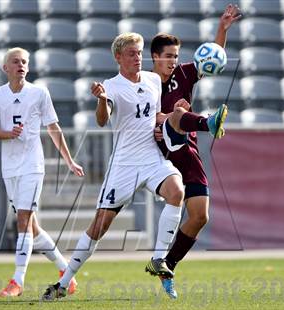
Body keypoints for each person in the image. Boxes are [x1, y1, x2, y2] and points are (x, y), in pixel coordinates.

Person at [42, 32, 185, 301]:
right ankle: (63, 282)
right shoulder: (112, 86)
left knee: (177, 192)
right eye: (131, 53)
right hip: (124, 165)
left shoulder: (154, 80)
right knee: (99, 227)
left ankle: (158, 260)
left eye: (140, 53)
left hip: (151, 158)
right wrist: (101, 99)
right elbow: (101, 120)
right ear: (118, 57)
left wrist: (176, 115)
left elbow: (155, 117)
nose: (137, 58)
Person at [149, 4, 242, 299]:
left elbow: (212, 56)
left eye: (176, 56)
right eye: (169, 56)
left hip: (187, 147)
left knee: (200, 216)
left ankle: (167, 265)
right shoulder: (145, 83)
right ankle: (208, 122)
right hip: (162, 146)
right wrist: (162, 118)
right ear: (155, 57)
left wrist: (222, 30)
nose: (174, 61)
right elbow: (139, 116)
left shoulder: (184, 74)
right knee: (176, 114)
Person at [0, 47, 84, 297]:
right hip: (9, 167)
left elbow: (53, 128)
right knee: (33, 228)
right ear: (6, 68)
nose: (21, 65)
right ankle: (66, 272)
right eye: (16, 62)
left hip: (32, 166)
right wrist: (9, 134)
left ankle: (17, 280)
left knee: (23, 220)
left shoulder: (39, 92)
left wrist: (69, 161)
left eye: (25, 62)